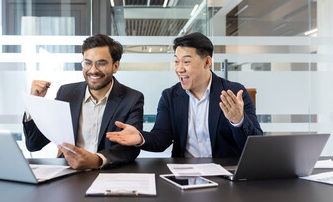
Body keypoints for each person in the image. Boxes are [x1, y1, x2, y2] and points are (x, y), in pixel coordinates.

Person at [107, 32, 263, 158]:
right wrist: (141, 138)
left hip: (225, 174)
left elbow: (255, 146)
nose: (179, 69)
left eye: (186, 62)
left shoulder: (233, 93)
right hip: (185, 175)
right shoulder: (170, 96)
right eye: (176, 61)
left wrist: (238, 121)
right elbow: (162, 138)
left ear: (207, 62)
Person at [23, 34, 144, 169]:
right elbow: (34, 144)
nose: (93, 70)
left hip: (108, 172)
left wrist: (97, 160)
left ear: (115, 66)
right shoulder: (66, 93)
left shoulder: (132, 98)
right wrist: (34, 103)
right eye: (88, 63)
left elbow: (130, 148)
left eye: (101, 63)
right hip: (69, 172)